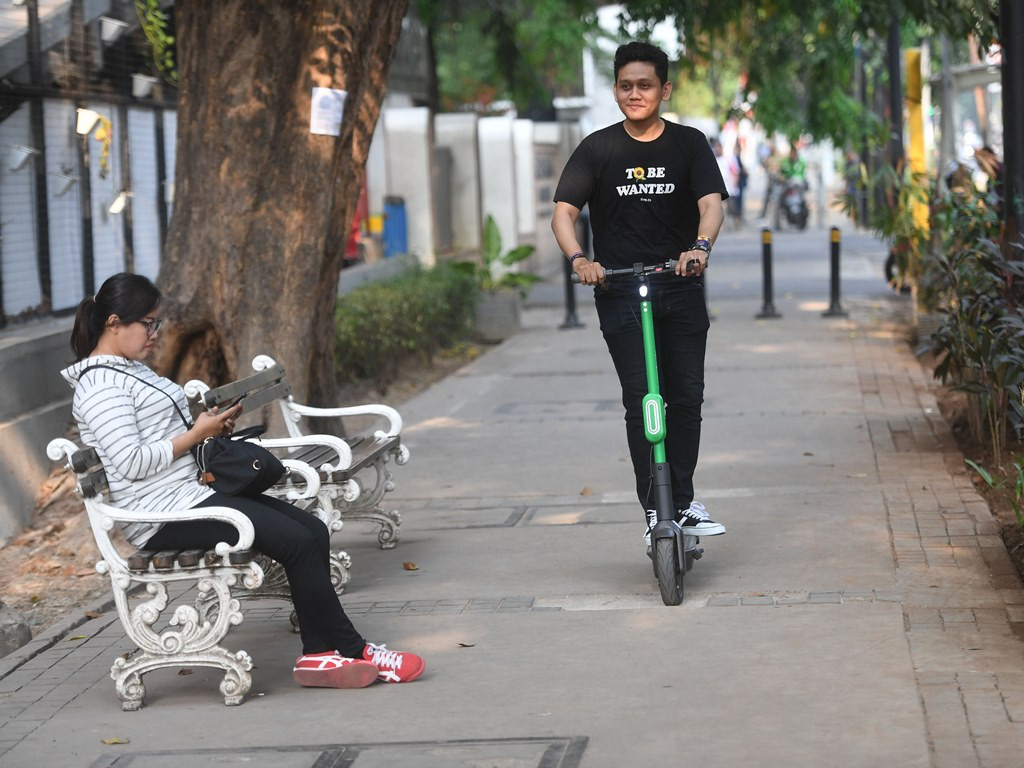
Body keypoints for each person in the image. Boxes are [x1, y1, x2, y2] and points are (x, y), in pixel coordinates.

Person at [61, 273, 425, 689]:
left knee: (310, 528)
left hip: (188, 495)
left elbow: (158, 442)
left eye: (156, 323)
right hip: (160, 516)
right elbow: (131, 462)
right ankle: (350, 649)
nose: (156, 333)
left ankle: (322, 655)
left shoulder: (126, 370)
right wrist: (196, 434)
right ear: (113, 323)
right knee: (298, 539)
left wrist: (210, 430)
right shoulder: (100, 386)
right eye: (148, 323)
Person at [550, 41, 728, 548]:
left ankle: (684, 501)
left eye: (645, 85)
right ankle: (656, 510)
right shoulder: (599, 148)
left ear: (664, 89)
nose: (635, 94)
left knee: (686, 399)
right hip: (621, 290)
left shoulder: (689, 144)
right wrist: (580, 260)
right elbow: (564, 212)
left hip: (681, 284)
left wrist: (698, 247)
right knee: (643, 401)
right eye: (626, 86)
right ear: (615, 90)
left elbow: (711, 205)